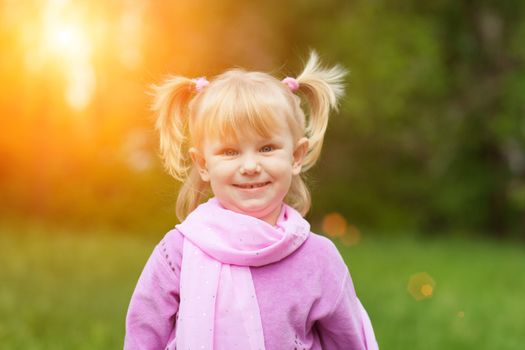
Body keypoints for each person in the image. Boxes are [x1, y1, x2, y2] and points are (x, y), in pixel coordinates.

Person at [124, 51, 378, 350]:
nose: (249, 165)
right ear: (203, 164)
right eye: (230, 152)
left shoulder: (318, 259)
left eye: (267, 148)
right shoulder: (179, 252)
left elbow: (348, 341)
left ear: (295, 156)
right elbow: (143, 336)